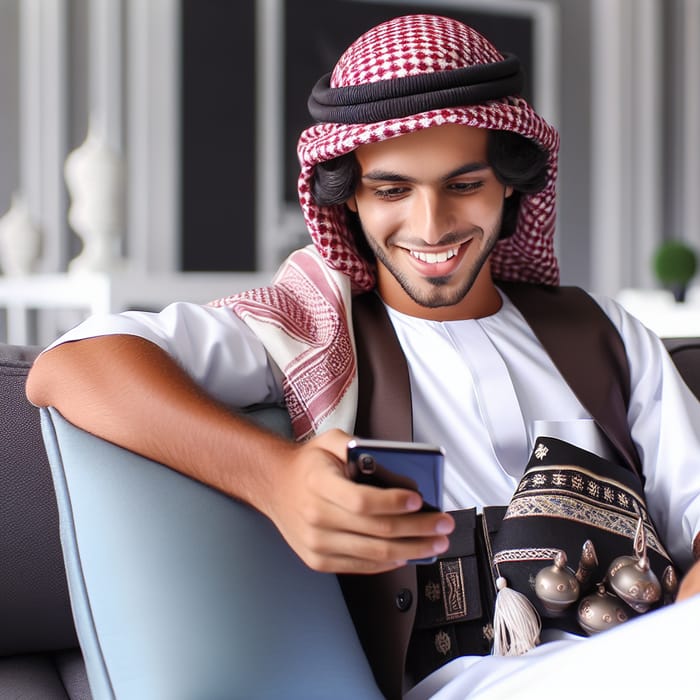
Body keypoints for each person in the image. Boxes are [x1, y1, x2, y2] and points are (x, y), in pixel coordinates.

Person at [27, 13, 700, 699]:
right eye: (392, 190)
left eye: (464, 185)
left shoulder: (602, 333)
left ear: (510, 183)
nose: (431, 225)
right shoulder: (311, 328)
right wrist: (275, 479)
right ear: (348, 200)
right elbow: (72, 365)